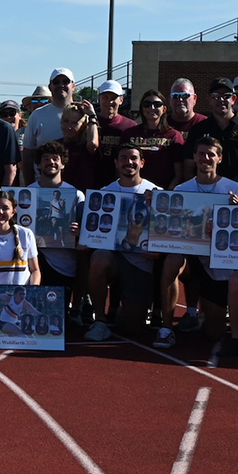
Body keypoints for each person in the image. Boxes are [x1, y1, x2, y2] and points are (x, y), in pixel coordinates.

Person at [162, 135, 238, 352]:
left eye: (211, 154)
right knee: (172, 260)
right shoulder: (181, 190)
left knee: (214, 333)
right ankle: (166, 328)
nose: (205, 158)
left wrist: (235, 211)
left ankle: (204, 314)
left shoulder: (234, 189)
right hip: (191, 260)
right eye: (201, 154)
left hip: (218, 263)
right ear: (194, 157)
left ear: (219, 158)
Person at [86, 145, 159, 344]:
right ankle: (100, 320)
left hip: (139, 263)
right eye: (124, 158)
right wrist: (83, 235)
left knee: (133, 328)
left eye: (134, 158)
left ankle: (122, 310)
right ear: (116, 162)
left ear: (142, 163)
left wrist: (159, 250)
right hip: (113, 259)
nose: (129, 162)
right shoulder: (104, 193)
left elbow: (166, 234)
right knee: (98, 258)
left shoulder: (156, 194)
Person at [183, 78, 238, 188]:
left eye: (226, 95)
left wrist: (227, 189)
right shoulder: (198, 129)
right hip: (201, 193)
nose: (221, 99)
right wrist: (199, 189)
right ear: (209, 99)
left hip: (234, 196)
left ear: (233, 99)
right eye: (216, 96)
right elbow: (188, 166)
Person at [29, 141, 85, 291]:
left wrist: (80, 233)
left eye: (55, 158)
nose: (51, 162)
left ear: (63, 164)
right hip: (32, 261)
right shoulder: (27, 193)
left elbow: (85, 236)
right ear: (39, 165)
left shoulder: (76, 195)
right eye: (46, 158)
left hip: (63, 263)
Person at [20, 68, 75, 180]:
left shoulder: (83, 113)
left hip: (77, 182)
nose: (61, 85)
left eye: (65, 81)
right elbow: (28, 155)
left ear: (73, 86)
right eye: (56, 82)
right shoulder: (37, 115)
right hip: (43, 184)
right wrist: (30, 186)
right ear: (50, 87)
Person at [127, 90, 185, 188]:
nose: (152, 107)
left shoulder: (174, 136)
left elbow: (179, 174)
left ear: (164, 109)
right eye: (147, 104)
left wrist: (166, 194)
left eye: (157, 104)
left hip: (163, 195)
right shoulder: (130, 134)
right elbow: (121, 167)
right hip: (135, 192)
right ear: (142, 108)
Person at [57, 101, 104, 192]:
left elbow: (93, 144)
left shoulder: (86, 147)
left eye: (75, 123)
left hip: (84, 197)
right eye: (66, 121)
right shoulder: (56, 145)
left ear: (83, 125)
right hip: (61, 195)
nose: (69, 127)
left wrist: (92, 116)